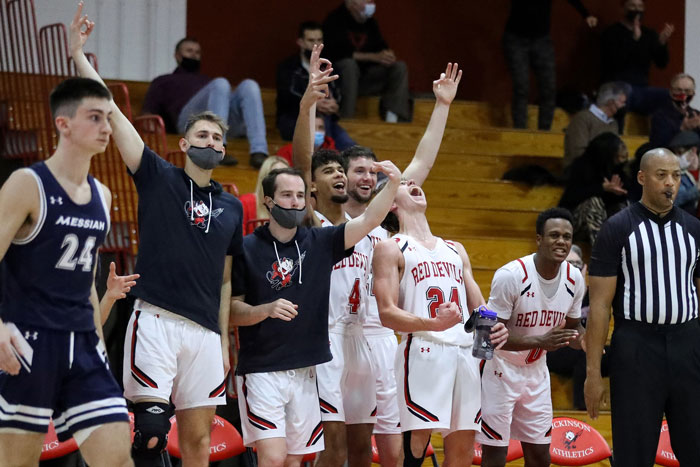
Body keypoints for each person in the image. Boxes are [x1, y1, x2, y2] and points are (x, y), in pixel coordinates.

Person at [70, 6, 243, 466]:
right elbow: (112, 111)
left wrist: (224, 340)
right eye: (201, 135)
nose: (210, 142)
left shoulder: (230, 207)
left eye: (217, 139)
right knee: (149, 434)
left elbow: (225, 280)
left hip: (206, 334)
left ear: (224, 150)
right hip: (156, 322)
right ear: (184, 144)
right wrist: (79, 57)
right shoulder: (157, 176)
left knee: (199, 443)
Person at [230, 44, 402, 467]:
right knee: (323, 450)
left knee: (355, 449)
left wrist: (393, 185)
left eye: (343, 171)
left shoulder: (345, 232)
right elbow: (303, 160)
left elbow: (380, 205)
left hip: (351, 340)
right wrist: (308, 102)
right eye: (332, 172)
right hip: (314, 343)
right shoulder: (309, 227)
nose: (341, 176)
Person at [0, 74, 133, 465]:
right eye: (95, 117)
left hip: (83, 342)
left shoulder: (103, 196)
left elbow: (86, 280)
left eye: (108, 118)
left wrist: (96, 338)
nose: (106, 128)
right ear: (64, 124)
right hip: (29, 340)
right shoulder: (27, 183)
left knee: (118, 457)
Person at [337, 62, 464, 467]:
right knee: (342, 449)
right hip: (338, 334)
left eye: (372, 172)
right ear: (341, 178)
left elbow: (424, 159)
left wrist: (442, 104)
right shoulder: (329, 225)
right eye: (358, 170)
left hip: (383, 335)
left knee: (393, 449)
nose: (366, 177)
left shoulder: (387, 224)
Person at [372, 181, 509, 467]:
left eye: (414, 181)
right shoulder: (390, 247)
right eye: (403, 184)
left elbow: (479, 307)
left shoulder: (455, 248)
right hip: (423, 348)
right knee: (415, 447)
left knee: (462, 451)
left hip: (463, 354)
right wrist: (433, 323)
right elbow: (386, 313)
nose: (413, 184)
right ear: (391, 203)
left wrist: (494, 328)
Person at [585, 148, 700, 466]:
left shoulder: (693, 230)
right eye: (662, 175)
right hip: (636, 347)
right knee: (634, 454)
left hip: (688, 344)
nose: (671, 183)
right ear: (642, 178)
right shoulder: (617, 228)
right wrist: (593, 373)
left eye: (676, 176)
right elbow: (599, 305)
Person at [477, 208, 585, 467]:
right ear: (539, 239)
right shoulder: (510, 276)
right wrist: (539, 342)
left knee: (539, 455)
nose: (561, 241)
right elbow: (484, 338)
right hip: (499, 370)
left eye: (567, 236)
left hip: (536, 371)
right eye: (554, 235)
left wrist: (585, 340)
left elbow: (573, 328)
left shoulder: (575, 278)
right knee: (495, 454)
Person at [142, 37, 268, 168]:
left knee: (249, 85)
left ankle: (259, 152)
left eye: (197, 52)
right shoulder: (163, 80)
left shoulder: (208, 81)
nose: (194, 55)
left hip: (220, 122)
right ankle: (216, 148)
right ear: (177, 56)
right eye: (189, 51)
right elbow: (148, 112)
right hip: (190, 122)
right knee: (221, 83)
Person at [503, 0, 597, 130]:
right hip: (516, 38)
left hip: (541, 40)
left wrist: (586, 14)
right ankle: (520, 129)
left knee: (548, 87)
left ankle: (544, 131)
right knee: (521, 86)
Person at [323, 0, 411, 122]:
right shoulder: (335, 20)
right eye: (365, 1)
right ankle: (347, 119)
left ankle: (393, 117)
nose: (371, 4)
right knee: (349, 65)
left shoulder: (371, 23)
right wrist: (373, 57)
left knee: (399, 67)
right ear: (352, 5)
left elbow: (381, 47)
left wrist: (387, 55)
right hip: (340, 81)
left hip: (366, 80)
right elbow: (338, 53)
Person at [276, 21, 355, 150]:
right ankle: (325, 158)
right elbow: (287, 99)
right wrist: (312, 103)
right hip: (294, 121)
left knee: (352, 148)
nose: (316, 45)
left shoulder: (328, 65)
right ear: (300, 42)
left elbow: (337, 93)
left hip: (327, 121)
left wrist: (334, 104)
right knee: (323, 128)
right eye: (311, 40)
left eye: (319, 40)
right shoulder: (287, 68)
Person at [600, 0, 674, 129]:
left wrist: (661, 44)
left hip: (641, 90)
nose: (637, 10)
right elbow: (614, 62)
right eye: (632, 6)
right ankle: (616, 137)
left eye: (640, 6)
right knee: (623, 92)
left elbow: (661, 63)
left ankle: (660, 141)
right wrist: (633, 40)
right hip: (617, 86)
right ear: (623, 9)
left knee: (670, 96)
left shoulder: (648, 34)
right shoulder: (612, 32)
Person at [559, 132, 630, 245]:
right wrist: (602, 188)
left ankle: (626, 253)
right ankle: (602, 254)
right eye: (619, 148)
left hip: (604, 225)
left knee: (625, 206)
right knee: (594, 202)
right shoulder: (583, 166)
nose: (624, 150)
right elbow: (571, 197)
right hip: (576, 223)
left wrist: (618, 193)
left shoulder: (617, 170)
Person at [563, 82, 626, 172]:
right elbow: (577, 153)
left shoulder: (613, 123)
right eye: (622, 102)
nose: (624, 106)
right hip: (580, 173)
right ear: (610, 102)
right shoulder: (582, 119)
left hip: (603, 172)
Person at [649, 73, 700, 148]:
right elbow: (658, 146)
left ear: (693, 93)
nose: (683, 94)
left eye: (687, 91)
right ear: (671, 92)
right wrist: (682, 128)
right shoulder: (660, 116)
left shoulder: (696, 115)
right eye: (678, 90)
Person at [667, 130, 700, 215]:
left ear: (693, 151)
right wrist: (696, 189)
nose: (677, 157)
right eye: (675, 153)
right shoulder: (673, 175)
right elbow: (673, 201)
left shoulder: (689, 173)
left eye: (680, 152)